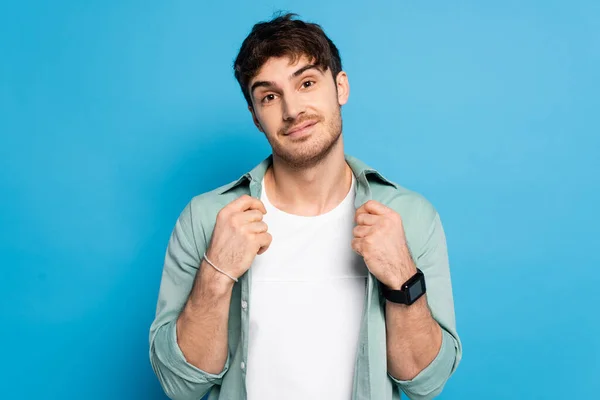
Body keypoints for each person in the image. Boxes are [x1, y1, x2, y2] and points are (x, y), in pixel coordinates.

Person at [149, 13, 462, 400]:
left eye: (307, 83)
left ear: (341, 86)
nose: (292, 110)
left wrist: (402, 278)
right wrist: (216, 274)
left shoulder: (410, 217)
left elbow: (425, 383)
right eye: (269, 96)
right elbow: (181, 385)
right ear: (255, 117)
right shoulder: (206, 219)